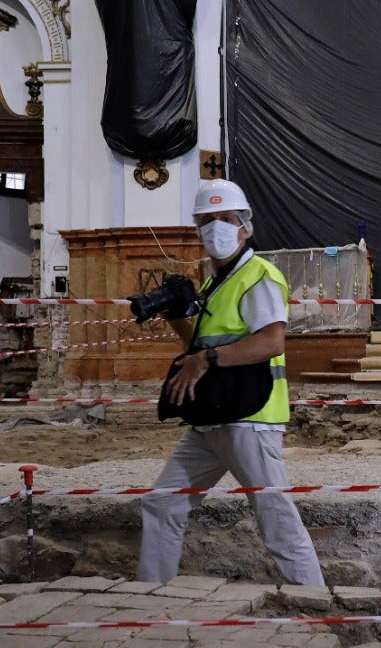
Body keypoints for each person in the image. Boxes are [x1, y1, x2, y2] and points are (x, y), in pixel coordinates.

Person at [136, 178, 325, 586]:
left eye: (225, 218)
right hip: (213, 415)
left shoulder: (258, 275)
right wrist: (175, 316)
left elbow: (271, 342)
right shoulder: (213, 283)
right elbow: (199, 347)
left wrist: (206, 358)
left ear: (245, 227)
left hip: (248, 417)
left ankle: (316, 604)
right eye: (206, 220)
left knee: (275, 516)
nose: (216, 227)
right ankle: (150, 599)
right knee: (162, 505)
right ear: (197, 229)